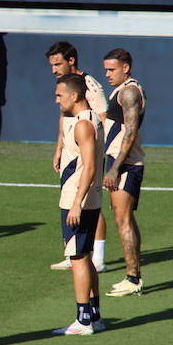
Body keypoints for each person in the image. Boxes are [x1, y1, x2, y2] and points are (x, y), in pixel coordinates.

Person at [46, 41, 109, 272]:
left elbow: (102, 118)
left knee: (89, 202)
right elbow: (64, 118)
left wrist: (98, 149)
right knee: (72, 198)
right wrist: (58, 148)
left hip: (87, 150)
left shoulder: (88, 85)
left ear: (71, 61)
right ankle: (74, 250)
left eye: (58, 64)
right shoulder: (64, 87)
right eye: (51, 65)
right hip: (70, 152)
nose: (54, 69)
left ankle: (98, 256)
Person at [52, 74, 106, 337]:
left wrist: (76, 203)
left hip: (79, 200)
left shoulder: (84, 125)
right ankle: (94, 315)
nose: (56, 99)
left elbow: (90, 167)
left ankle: (83, 319)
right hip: (89, 199)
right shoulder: (90, 119)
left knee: (77, 258)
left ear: (74, 95)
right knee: (84, 256)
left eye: (60, 94)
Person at [102, 48, 147, 297]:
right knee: (125, 218)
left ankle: (133, 278)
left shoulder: (129, 91)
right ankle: (133, 275)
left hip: (126, 165)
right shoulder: (123, 90)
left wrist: (116, 168)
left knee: (123, 220)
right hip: (122, 162)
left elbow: (130, 132)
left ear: (126, 67)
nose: (107, 74)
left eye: (112, 69)